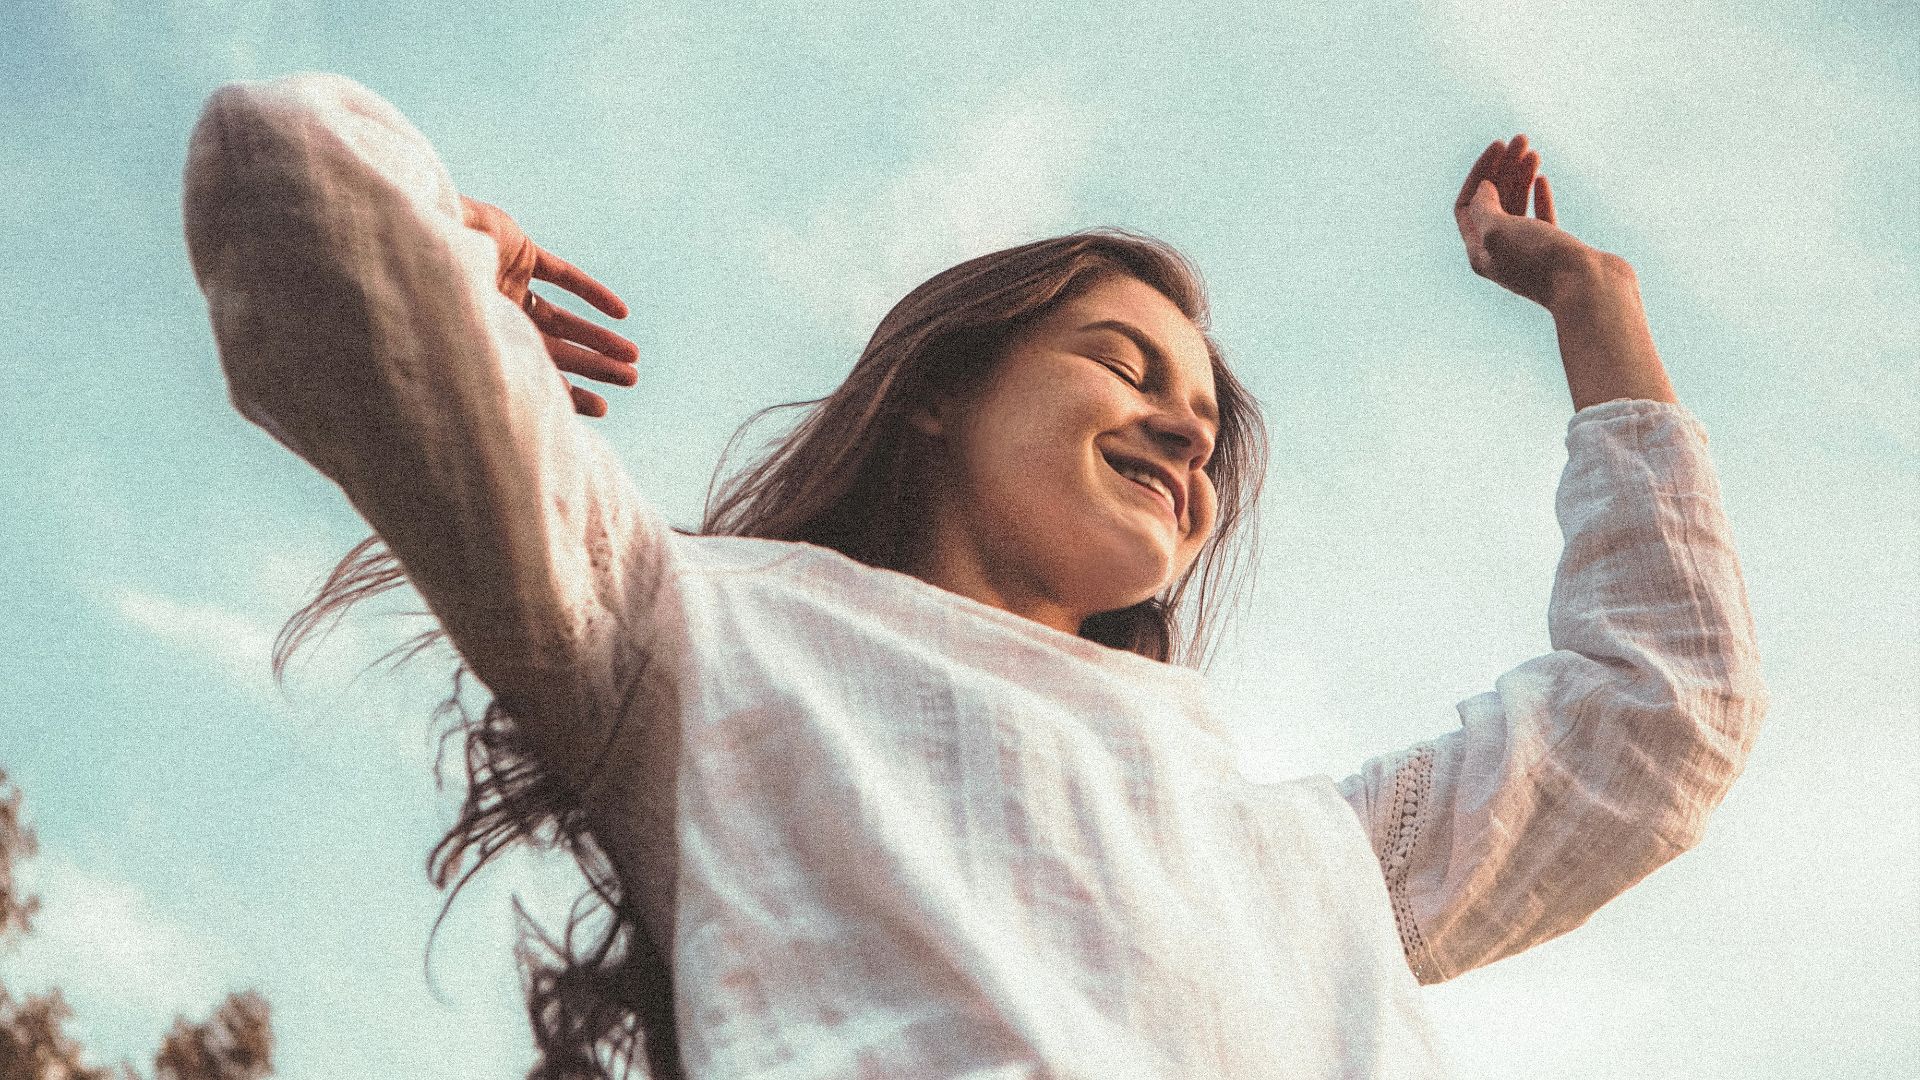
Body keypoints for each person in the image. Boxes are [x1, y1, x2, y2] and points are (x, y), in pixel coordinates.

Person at [182, 73, 1766, 1080]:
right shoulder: (698, 635)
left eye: (1206, 424)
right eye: (1123, 363)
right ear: (941, 387)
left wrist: (1595, 306)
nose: (1181, 431)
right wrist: (460, 269)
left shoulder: (1308, 853)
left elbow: (1659, 721)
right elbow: (285, 176)